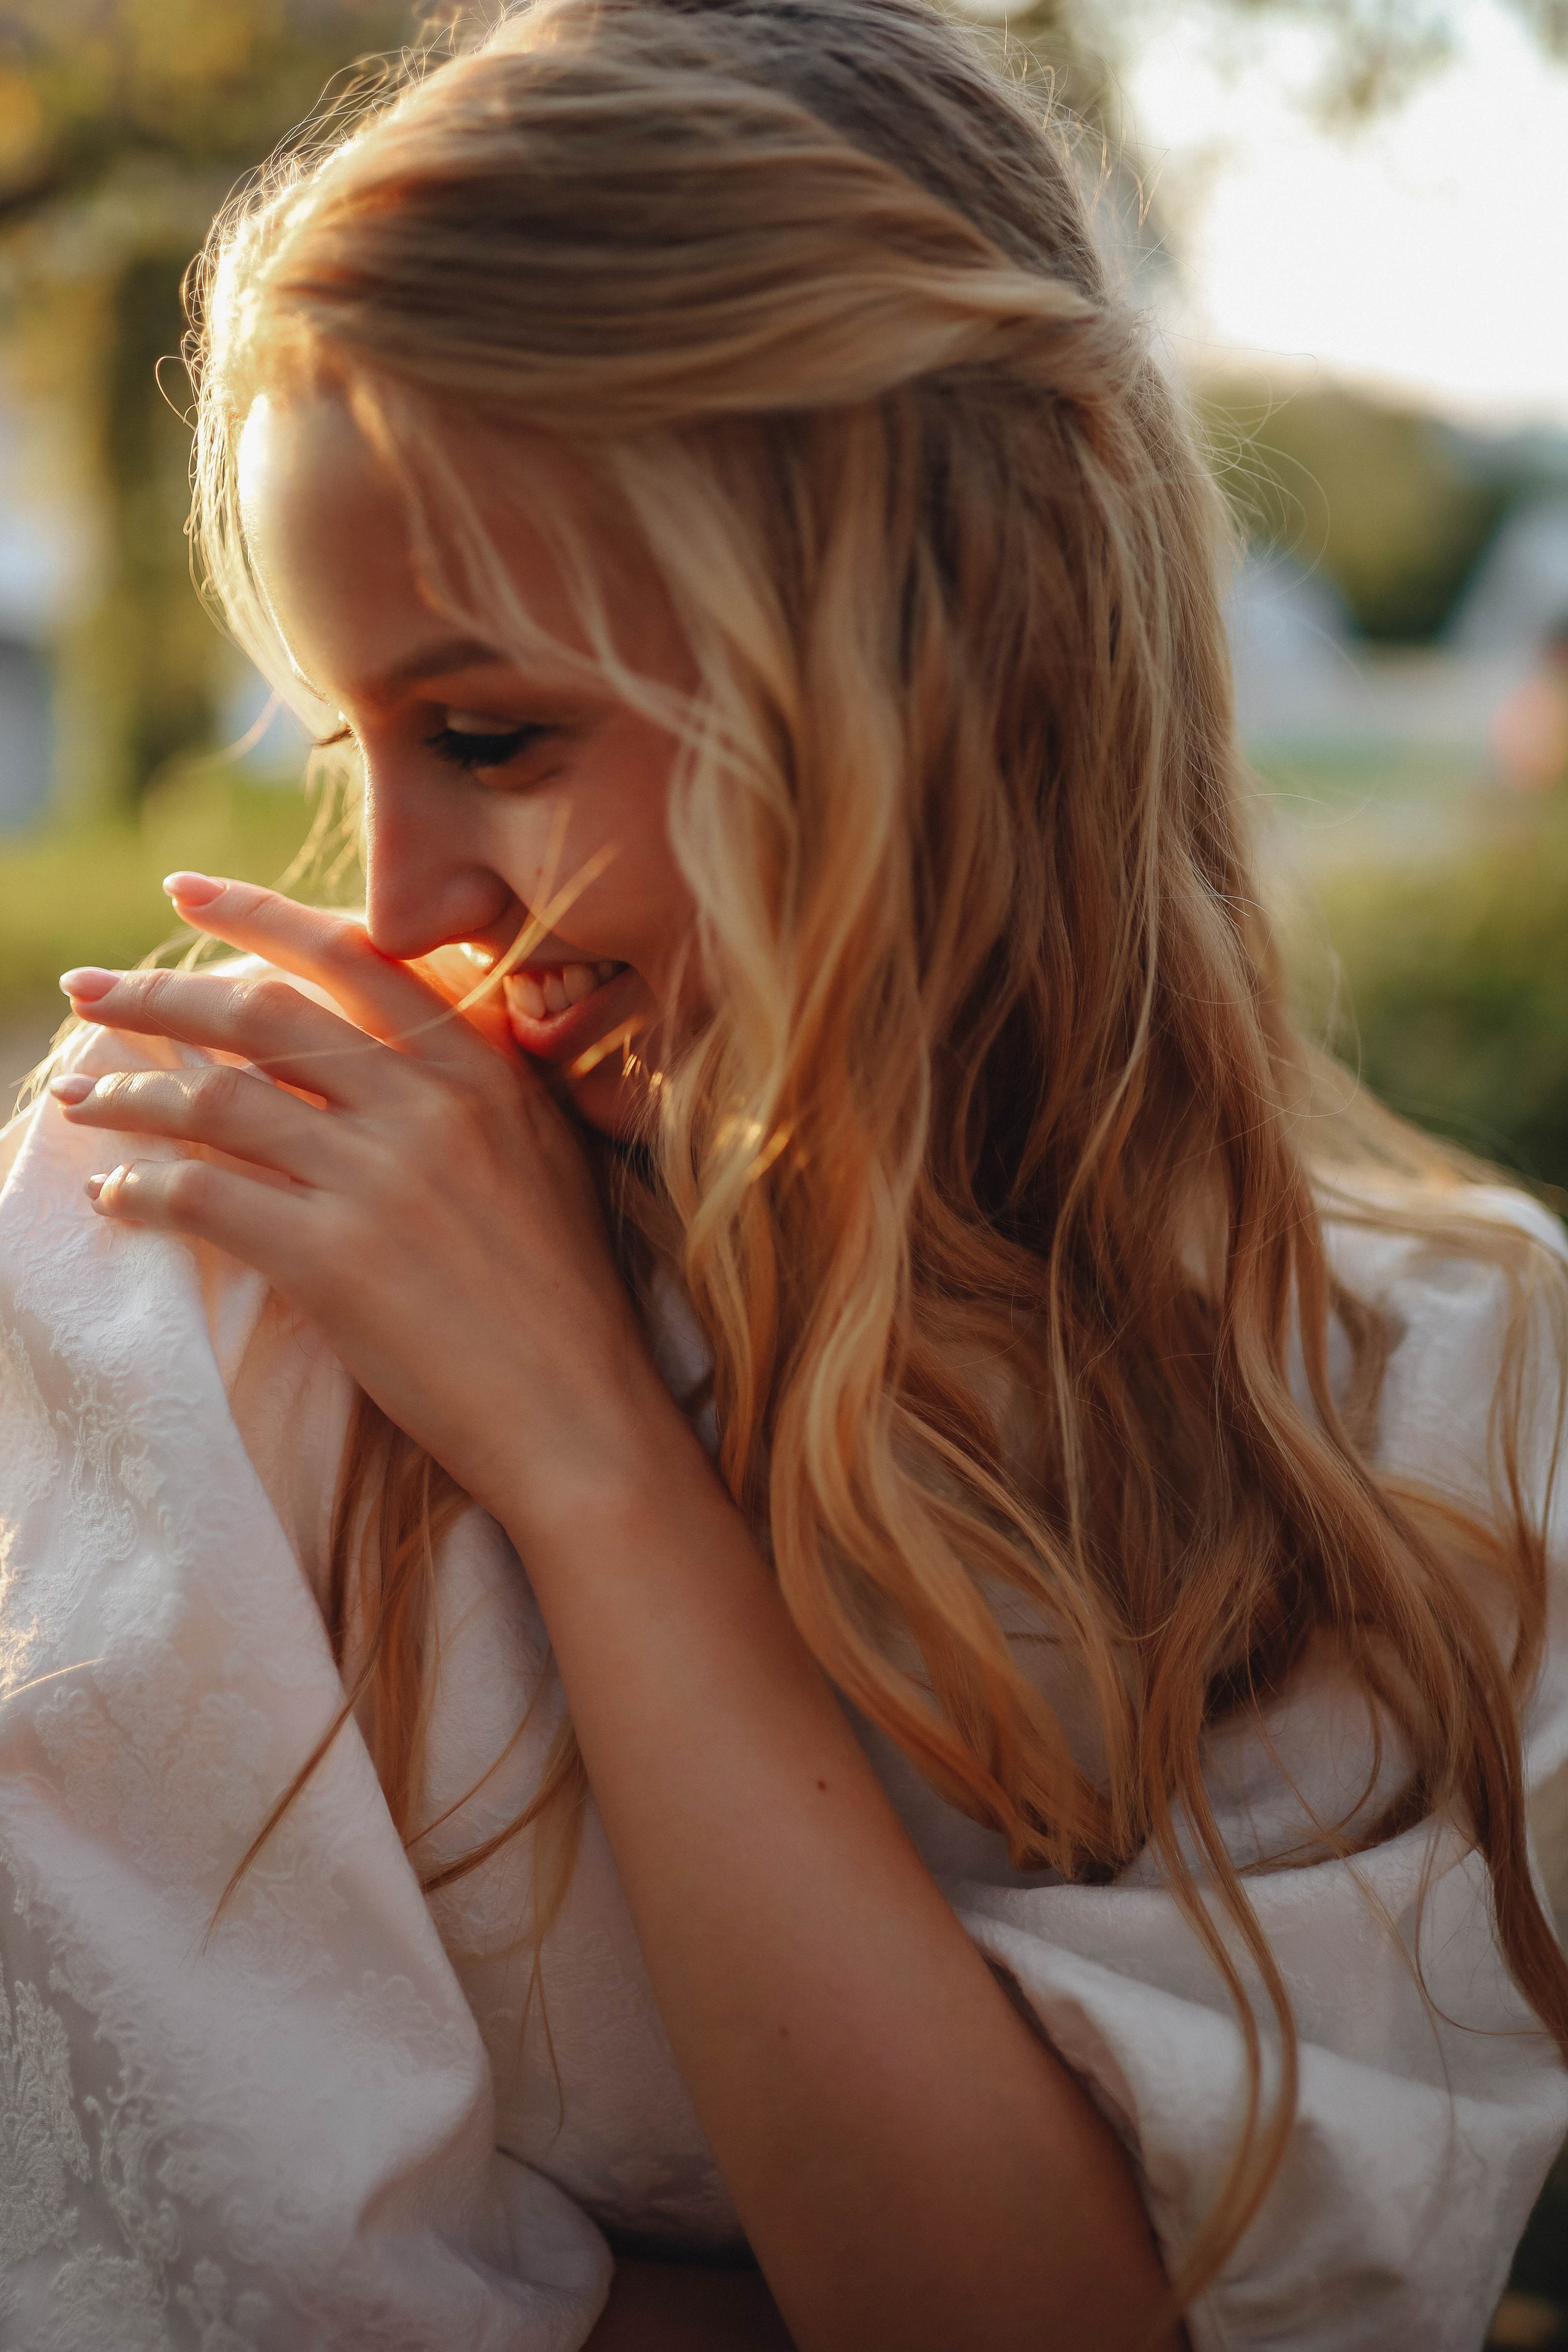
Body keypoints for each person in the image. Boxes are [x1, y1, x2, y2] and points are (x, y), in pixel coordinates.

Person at [1, 2, 1565, 2345]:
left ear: (942, 661)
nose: (403, 898)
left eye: (495, 732)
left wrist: (597, 1474)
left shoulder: (1440, 1417)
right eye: (357, 742)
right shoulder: (200, 1270)